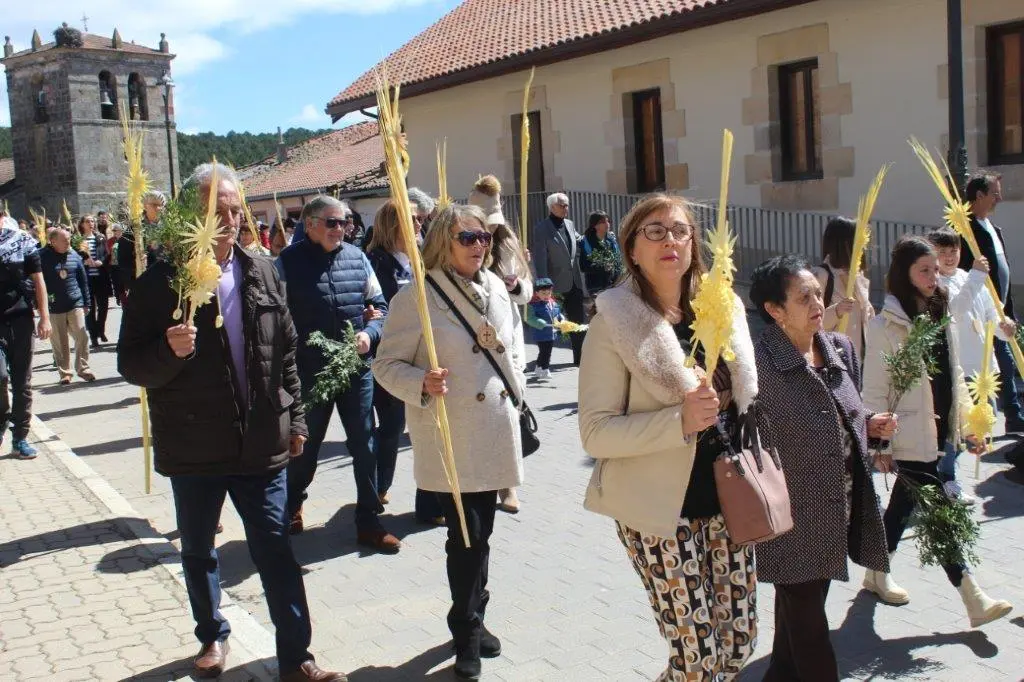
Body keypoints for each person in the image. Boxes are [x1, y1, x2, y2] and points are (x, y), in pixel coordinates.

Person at [117, 162, 346, 682]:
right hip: (194, 444)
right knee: (199, 550)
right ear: (189, 215)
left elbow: (285, 353)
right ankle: (212, 636)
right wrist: (168, 352)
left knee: (276, 549)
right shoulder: (160, 282)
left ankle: (296, 657)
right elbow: (131, 364)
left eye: (234, 208)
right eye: (215, 209)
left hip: (262, 441)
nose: (228, 218)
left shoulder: (263, 270)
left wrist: (298, 421)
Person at [577, 194, 759, 681]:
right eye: (653, 231)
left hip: (728, 497)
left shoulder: (720, 310)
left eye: (679, 230)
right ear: (632, 249)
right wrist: (677, 421)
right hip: (659, 513)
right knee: (698, 659)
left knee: (739, 643)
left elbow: (745, 399)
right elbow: (595, 433)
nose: (669, 239)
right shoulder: (612, 324)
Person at [373, 203, 524, 681]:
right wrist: (421, 381)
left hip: (495, 430)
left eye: (484, 237)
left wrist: (516, 390)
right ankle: (466, 629)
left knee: (483, 536)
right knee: (466, 536)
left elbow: (513, 346)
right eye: (467, 238)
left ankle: (475, 618)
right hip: (452, 433)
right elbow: (385, 364)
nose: (479, 245)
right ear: (443, 241)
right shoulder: (416, 296)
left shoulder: (497, 286)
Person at [749, 255, 892, 682]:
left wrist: (870, 424)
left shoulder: (838, 348)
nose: (818, 302)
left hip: (839, 504)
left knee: (801, 607)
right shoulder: (754, 365)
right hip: (788, 515)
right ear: (775, 310)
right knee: (810, 625)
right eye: (804, 296)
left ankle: (779, 676)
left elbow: (845, 412)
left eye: (818, 292)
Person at [863, 235, 1013, 628]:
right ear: (904, 274)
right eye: (924, 270)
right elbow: (875, 387)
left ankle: (876, 572)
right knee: (940, 510)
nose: (933, 277)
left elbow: (955, 373)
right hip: (910, 430)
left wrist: (969, 424)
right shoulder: (884, 324)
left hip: (942, 426)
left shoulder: (939, 309)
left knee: (903, 506)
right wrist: (879, 443)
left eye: (934, 270)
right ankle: (971, 594)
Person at [276, 196, 397, 552]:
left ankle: (369, 521)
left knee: (365, 443)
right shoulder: (286, 263)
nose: (340, 229)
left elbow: (382, 307)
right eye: (331, 222)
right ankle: (293, 503)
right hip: (308, 372)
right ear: (310, 224)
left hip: (355, 368)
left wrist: (370, 334)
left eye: (344, 222)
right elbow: (275, 315)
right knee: (305, 446)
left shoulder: (358, 259)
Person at [365, 200, 446, 526]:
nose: (418, 223)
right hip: (391, 357)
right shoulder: (375, 262)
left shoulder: (421, 260)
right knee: (391, 427)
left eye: (420, 218)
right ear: (391, 224)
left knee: (423, 431)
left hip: (423, 358)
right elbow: (375, 301)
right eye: (411, 218)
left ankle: (427, 501)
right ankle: (378, 488)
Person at [929, 227, 1016, 504]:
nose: (949, 257)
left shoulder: (969, 278)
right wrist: (978, 276)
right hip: (959, 368)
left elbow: (991, 314)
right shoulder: (936, 285)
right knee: (957, 430)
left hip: (983, 370)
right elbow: (955, 310)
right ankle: (947, 479)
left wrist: (1006, 328)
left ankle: (940, 475)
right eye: (941, 252)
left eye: (953, 250)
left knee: (979, 429)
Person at [467, 174, 533, 514]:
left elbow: (527, 292)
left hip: (505, 336)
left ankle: (508, 484)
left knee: (508, 408)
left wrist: (514, 283)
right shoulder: (458, 242)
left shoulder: (506, 243)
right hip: (467, 337)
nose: (487, 233)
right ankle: (481, 482)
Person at [959, 172, 1022, 432]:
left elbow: (1002, 273)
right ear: (979, 196)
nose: (1000, 198)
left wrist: (1010, 312)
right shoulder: (966, 230)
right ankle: (1004, 417)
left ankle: (1011, 415)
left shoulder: (993, 229)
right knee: (1002, 366)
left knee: (1006, 364)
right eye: (995, 193)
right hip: (981, 313)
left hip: (999, 311)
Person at [0, 216, 51, 459]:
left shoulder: (23, 242)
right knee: (0, 377)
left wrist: (45, 317)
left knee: (22, 382)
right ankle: (2, 422)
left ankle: (20, 437)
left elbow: (38, 280)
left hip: (20, 318)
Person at [531, 192, 587, 366]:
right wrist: (543, 286)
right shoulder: (542, 229)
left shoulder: (569, 224)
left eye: (567, 205)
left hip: (574, 281)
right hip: (553, 285)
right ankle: (543, 361)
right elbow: (540, 259)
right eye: (562, 205)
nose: (566, 208)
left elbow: (577, 241)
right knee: (550, 325)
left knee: (578, 321)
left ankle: (580, 358)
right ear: (551, 207)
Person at [812, 216, 874, 363]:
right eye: (858, 241)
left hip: (858, 360)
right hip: (833, 358)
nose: (863, 247)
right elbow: (809, 321)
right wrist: (836, 311)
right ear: (843, 244)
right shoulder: (821, 275)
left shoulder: (858, 276)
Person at [39, 227, 93, 385]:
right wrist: (40, 304)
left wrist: (86, 302)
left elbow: (83, 281)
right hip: (54, 306)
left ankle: (83, 368)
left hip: (75, 302)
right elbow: (36, 282)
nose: (68, 242)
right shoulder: (41, 257)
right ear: (53, 241)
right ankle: (65, 373)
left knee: (82, 335)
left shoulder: (74, 255)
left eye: (69, 239)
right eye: (64, 240)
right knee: (59, 341)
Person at [77, 214, 110, 346]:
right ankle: (93, 336)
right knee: (90, 308)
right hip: (87, 278)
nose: (91, 223)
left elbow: (107, 254)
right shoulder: (78, 240)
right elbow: (75, 256)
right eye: (88, 221)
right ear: (82, 224)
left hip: (100, 277)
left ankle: (100, 330)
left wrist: (101, 261)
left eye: (92, 221)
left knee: (104, 306)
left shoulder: (100, 238)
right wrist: (83, 261)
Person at [579, 210, 622, 304]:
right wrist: (604, 267)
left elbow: (618, 260)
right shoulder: (587, 241)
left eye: (608, 221)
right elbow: (584, 266)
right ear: (594, 225)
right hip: (596, 285)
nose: (607, 224)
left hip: (614, 284)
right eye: (603, 222)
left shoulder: (611, 240)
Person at [525, 278, 560, 381]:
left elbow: (557, 313)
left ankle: (539, 367)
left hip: (551, 332)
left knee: (545, 352)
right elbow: (529, 318)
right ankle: (545, 369)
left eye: (548, 293)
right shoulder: (533, 305)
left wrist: (561, 319)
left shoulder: (552, 303)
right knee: (545, 352)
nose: (546, 295)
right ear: (537, 293)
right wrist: (540, 323)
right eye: (543, 293)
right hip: (541, 333)